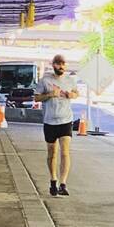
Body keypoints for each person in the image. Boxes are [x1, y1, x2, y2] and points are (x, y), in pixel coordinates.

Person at [37, 53, 78, 197]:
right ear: (53, 65)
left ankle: (63, 184)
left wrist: (72, 95)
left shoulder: (70, 80)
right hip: (49, 121)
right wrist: (49, 95)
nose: (60, 66)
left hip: (65, 120)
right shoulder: (45, 81)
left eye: (63, 64)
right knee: (52, 153)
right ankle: (53, 180)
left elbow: (76, 93)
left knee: (65, 152)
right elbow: (36, 97)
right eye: (58, 63)